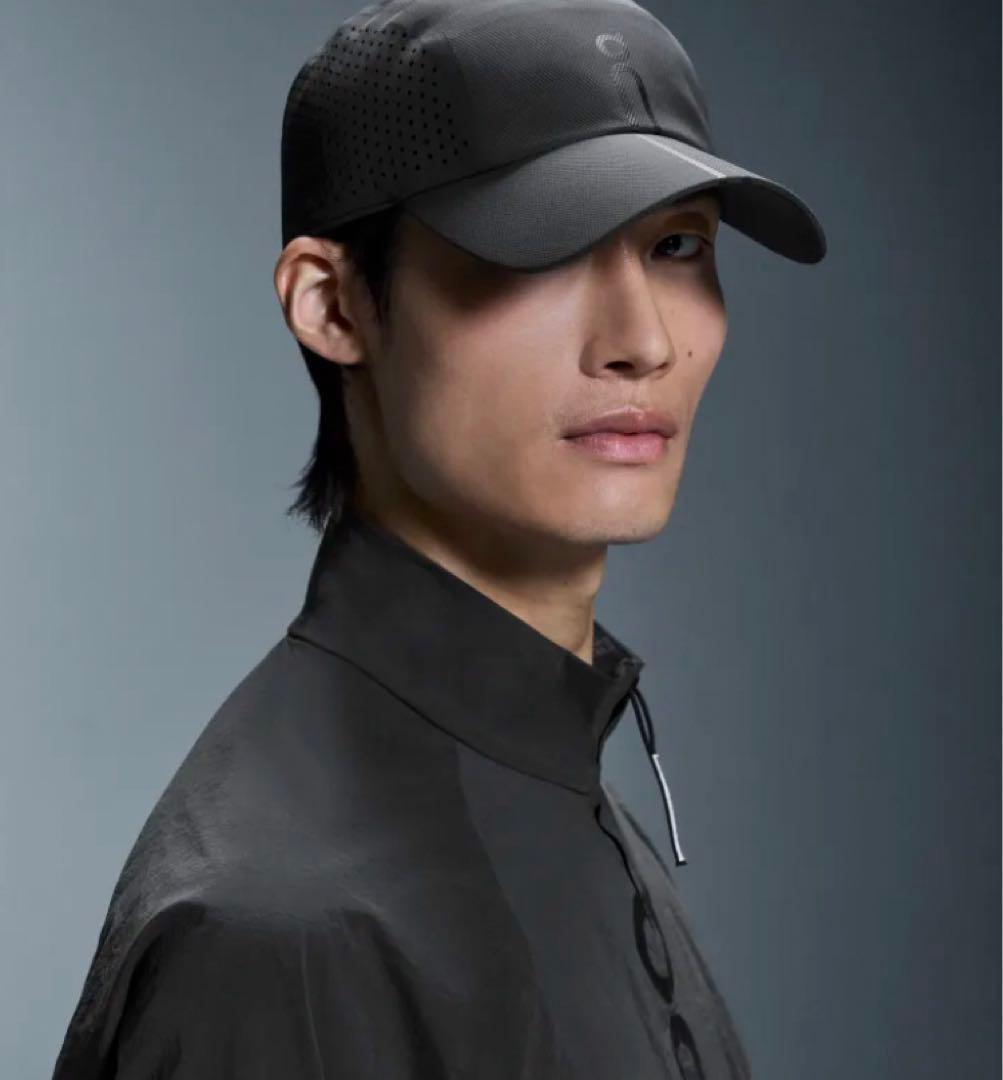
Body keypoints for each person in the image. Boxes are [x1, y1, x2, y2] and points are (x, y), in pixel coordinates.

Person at [51, 1, 826, 1077]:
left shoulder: (552, 782)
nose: (642, 339)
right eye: (546, 249)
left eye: (676, 245)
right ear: (333, 305)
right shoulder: (283, 939)